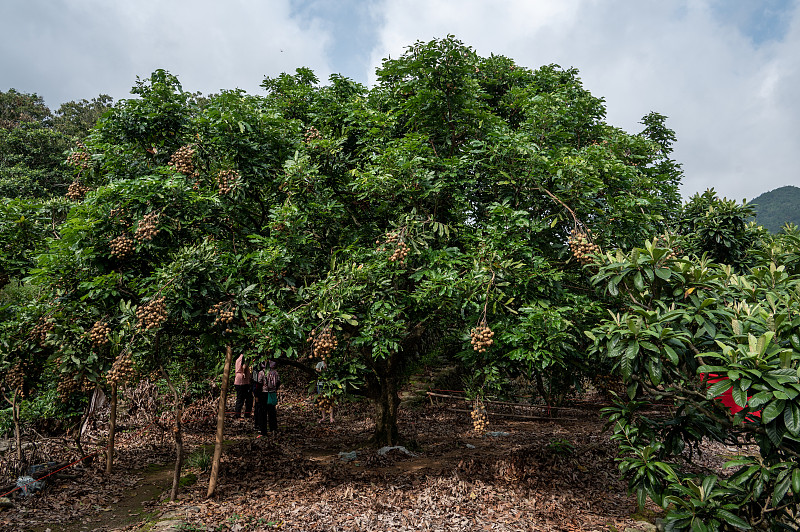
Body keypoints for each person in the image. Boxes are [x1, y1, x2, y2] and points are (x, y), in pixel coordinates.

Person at [233, 353, 252, 419]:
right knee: (248, 399)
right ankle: (245, 415)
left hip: (239, 380)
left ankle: (238, 414)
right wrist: (244, 372)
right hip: (243, 381)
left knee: (240, 399)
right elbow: (244, 366)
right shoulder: (244, 356)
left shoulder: (238, 358)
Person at [263, 360, 280, 433]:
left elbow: (259, 382)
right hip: (272, 392)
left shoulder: (262, 372)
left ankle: (264, 428)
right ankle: (273, 427)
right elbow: (278, 382)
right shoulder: (275, 373)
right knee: (272, 411)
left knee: (264, 411)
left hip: (264, 393)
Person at [252, 361, 267, 435]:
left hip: (263, 391)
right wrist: (256, 394)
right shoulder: (258, 369)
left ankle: (260, 426)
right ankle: (258, 425)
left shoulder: (263, 370)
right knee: (259, 409)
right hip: (260, 390)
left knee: (261, 409)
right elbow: (256, 381)